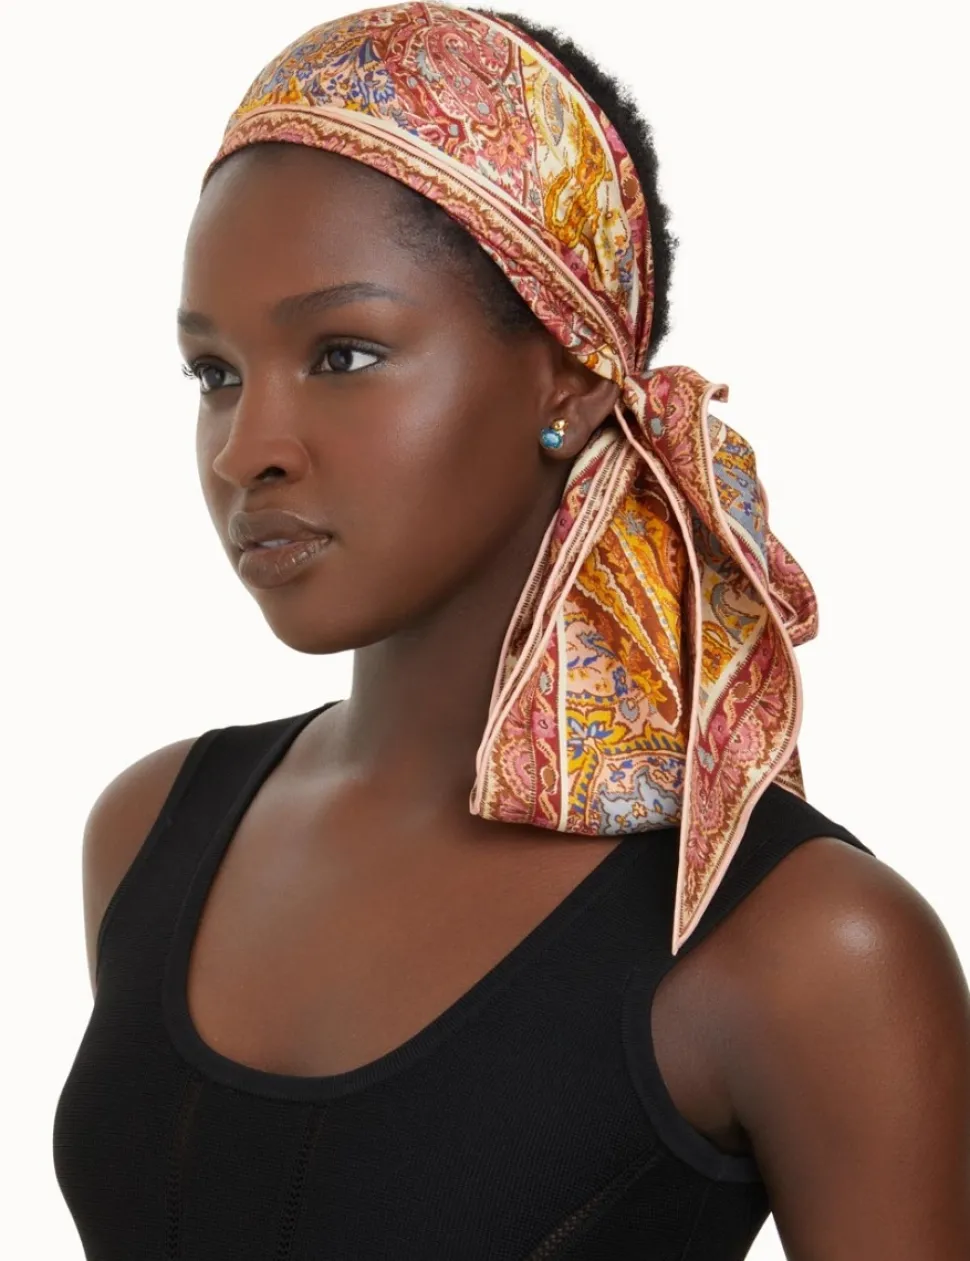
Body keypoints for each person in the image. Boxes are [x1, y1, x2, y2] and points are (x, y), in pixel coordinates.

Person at [52, 5, 970, 1258]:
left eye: (343, 354)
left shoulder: (804, 946)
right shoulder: (149, 831)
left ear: (571, 377)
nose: (245, 449)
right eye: (214, 372)